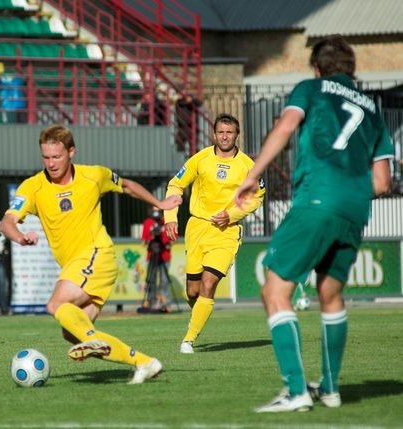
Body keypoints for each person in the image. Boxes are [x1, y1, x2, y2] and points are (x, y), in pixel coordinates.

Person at [235, 37, 393, 413]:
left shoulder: (311, 89)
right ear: (352, 69)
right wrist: (348, 194)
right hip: (355, 209)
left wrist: (252, 175)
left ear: (318, 68)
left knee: (275, 291)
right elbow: (382, 182)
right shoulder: (373, 109)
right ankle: (331, 390)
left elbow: (286, 126)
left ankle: (296, 391)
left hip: (317, 197)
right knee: (331, 295)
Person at [0, 124, 182, 384]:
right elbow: (6, 222)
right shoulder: (33, 187)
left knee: (55, 305)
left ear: (71, 151)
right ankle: (144, 362)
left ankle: (101, 343)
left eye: (57, 156)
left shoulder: (94, 175)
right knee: (73, 334)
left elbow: (127, 186)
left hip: (97, 255)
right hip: (77, 266)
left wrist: (160, 204)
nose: (51, 163)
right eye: (46, 157)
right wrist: (19, 236)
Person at [165, 113, 265, 354]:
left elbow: (256, 197)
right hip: (197, 228)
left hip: (226, 232)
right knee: (193, 291)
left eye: (229, 132)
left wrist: (232, 214)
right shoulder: (200, 159)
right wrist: (170, 217)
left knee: (209, 285)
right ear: (214, 134)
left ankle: (188, 340)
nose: (225, 136)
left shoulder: (248, 166)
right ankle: (198, 315)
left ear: (237, 135)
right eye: (221, 132)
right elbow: (176, 184)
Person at [140, 206, 172, 312]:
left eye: (158, 211)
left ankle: (166, 304)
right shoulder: (147, 222)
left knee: (164, 281)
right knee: (151, 280)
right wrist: (151, 238)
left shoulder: (166, 222)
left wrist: (165, 241)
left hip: (164, 256)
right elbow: (143, 242)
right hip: (152, 256)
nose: (156, 213)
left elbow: (173, 239)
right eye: (154, 211)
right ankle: (150, 303)